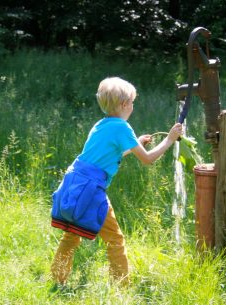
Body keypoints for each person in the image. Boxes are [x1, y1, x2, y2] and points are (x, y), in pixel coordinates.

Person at [50, 77, 183, 286]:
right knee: (115, 239)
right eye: (132, 102)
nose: (133, 106)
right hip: (92, 191)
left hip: (75, 185)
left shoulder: (101, 124)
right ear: (124, 104)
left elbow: (110, 154)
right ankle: (121, 287)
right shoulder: (122, 127)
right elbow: (147, 159)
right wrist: (170, 139)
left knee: (71, 236)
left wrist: (136, 143)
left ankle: (57, 281)